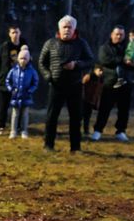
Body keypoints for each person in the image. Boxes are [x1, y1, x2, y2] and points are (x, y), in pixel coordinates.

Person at [38, 15, 93, 152]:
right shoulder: (50, 43)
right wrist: (48, 76)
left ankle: (75, 147)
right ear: (59, 28)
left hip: (75, 85)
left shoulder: (81, 43)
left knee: (76, 117)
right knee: (51, 117)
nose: (67, 30)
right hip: (56, 85)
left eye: (70, 27)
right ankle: (48, 145)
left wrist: (76, 65)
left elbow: (90, 61)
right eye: (64, 27)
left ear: (74, 29)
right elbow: (41, 62)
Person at [92, 25, 134, 142]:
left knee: (124, 110)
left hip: (126, 82)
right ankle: (98, 131)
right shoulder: (105, 47)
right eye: (117, 34)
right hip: (110, 83)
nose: (119, 36)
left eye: (121, 34)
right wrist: (123, 60)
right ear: (112, 34)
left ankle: (121, 131)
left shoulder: (130, 48)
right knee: (104, 109)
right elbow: (105, 60)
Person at [0, 24, 24, 135]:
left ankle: (18, 127)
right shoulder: (4, 46)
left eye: (17, 32)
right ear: (9, 34)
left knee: (19, 104)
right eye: (13, 32)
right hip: (5, 79)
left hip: (20, 80)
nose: (15, 34)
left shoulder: (24, 47)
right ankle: (1, 127)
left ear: (20, 33)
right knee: (4, 104)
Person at [5, 45, 39, 139]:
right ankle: (13, 131)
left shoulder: (32, 71)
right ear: (18, 59)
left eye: (25, 58)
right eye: (21, 58)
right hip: (15, 96)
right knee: (15, 114)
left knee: (24, 114)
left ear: (28, 59)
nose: (23, 60)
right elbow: (7, 80)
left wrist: (30, 90)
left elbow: (35, 82)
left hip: (26, 96)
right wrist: (11, 89)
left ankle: (24, 131)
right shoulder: (13, 70)